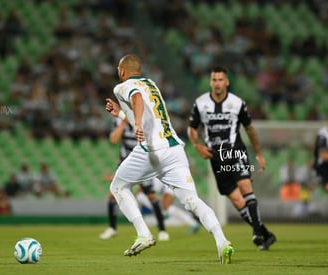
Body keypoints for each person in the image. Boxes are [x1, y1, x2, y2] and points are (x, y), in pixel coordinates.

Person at [105, 54, 233, 264]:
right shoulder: (152, 85)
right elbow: (146, 111)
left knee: (118, 187)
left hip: (151, 150)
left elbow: (136, 98)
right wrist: (121, 114)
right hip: (174, 149)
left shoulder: (121, 87)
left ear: (122, 71)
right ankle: (222, 241)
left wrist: (136, 124)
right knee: (192, 201)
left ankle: (144, 234)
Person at [187, 66, 276, 250]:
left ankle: (257, 234)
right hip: (215, 156)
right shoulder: (200, 103)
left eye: (220, 80)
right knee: (236, 200)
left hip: (235, 151)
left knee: (245, 186)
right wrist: (197, 146)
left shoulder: (237, 103)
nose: (217, 83)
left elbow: (250, 128)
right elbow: (192, 129)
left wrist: (258, 153)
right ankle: (265, 234)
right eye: (214, 80)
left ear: (226, 82)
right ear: (210, 82)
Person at [100, 116, 169, 241]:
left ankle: (162, 230)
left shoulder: (145, 117)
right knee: (112, 195)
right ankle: (112, 228)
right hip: (125, 162)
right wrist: (123, 123)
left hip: (142, 161)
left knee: (151, 196)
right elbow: (114, 139)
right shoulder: (118, 119)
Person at [135, 178, 201, 233]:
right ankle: (162, 213)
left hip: (170, 184)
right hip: (165, 185)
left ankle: (193, 224)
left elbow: (152, 192)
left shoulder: (153, 179)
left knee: (168, 207)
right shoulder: (149, 178)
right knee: (140, 195)